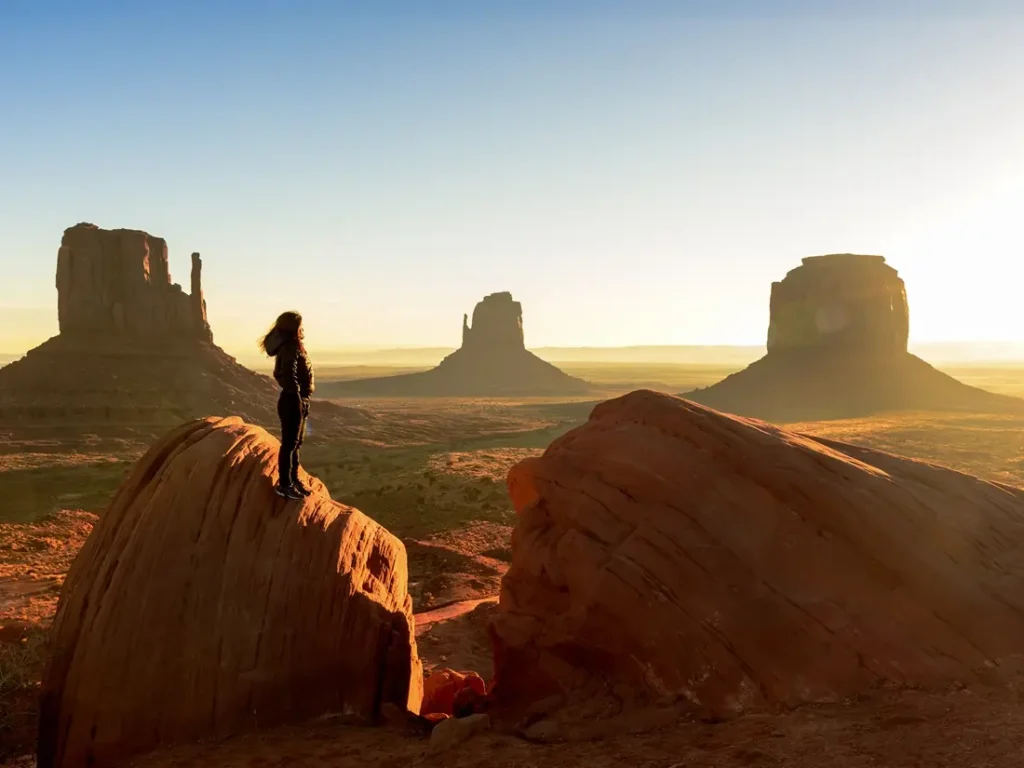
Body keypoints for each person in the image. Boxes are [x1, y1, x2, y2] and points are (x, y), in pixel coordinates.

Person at [259, 311, 315, 500]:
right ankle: (284, 484)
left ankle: (293, 479)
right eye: (300, 325)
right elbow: (287, 374)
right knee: (290, 444)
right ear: (294, 328)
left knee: (296, 443)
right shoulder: (290, 348)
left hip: (298, 399)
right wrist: (297, 394)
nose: (303, 329)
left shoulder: (292, 346)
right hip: (293, 400)